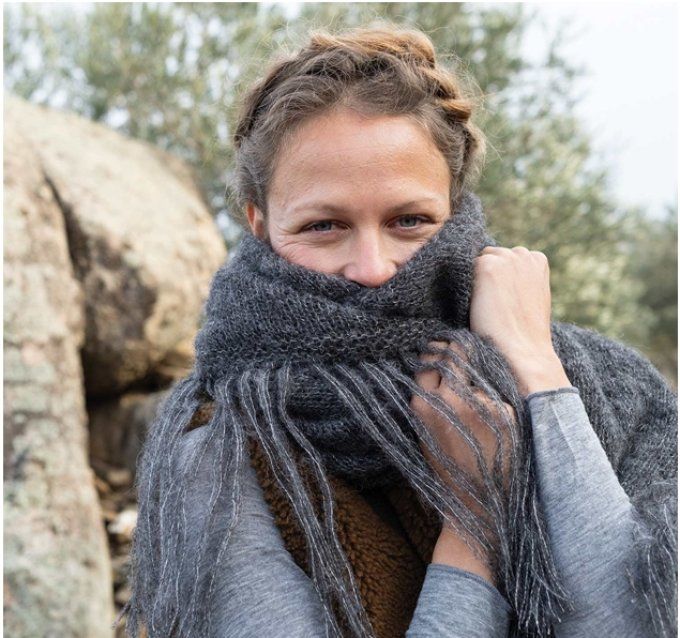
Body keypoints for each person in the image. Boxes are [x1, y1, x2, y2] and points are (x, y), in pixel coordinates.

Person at [120, 24, 677, 638]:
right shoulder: (218, 445)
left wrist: (534, 366)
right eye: (324, 225)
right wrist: (474, 521)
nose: (372, 268)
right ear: (261, 226)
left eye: (409, 220)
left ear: (457, 213)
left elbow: (641, 618)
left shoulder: (603, 383)